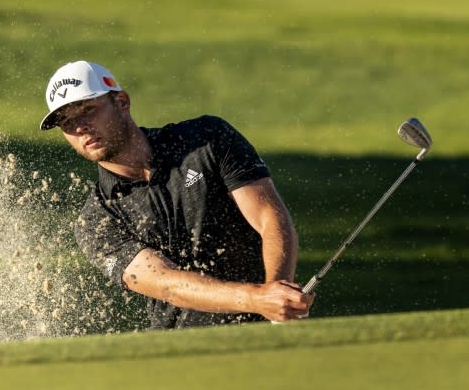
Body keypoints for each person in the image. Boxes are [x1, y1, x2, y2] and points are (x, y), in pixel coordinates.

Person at [41, 60, 314, 328]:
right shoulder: (97, 219)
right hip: (182, 348)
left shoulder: (206, 139)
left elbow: (269, 217)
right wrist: (258, 299)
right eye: (66, 122)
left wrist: (278, 292)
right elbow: (167, 282)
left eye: (88, 110)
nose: (80, 127)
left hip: (264, 327)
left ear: (122, 102)